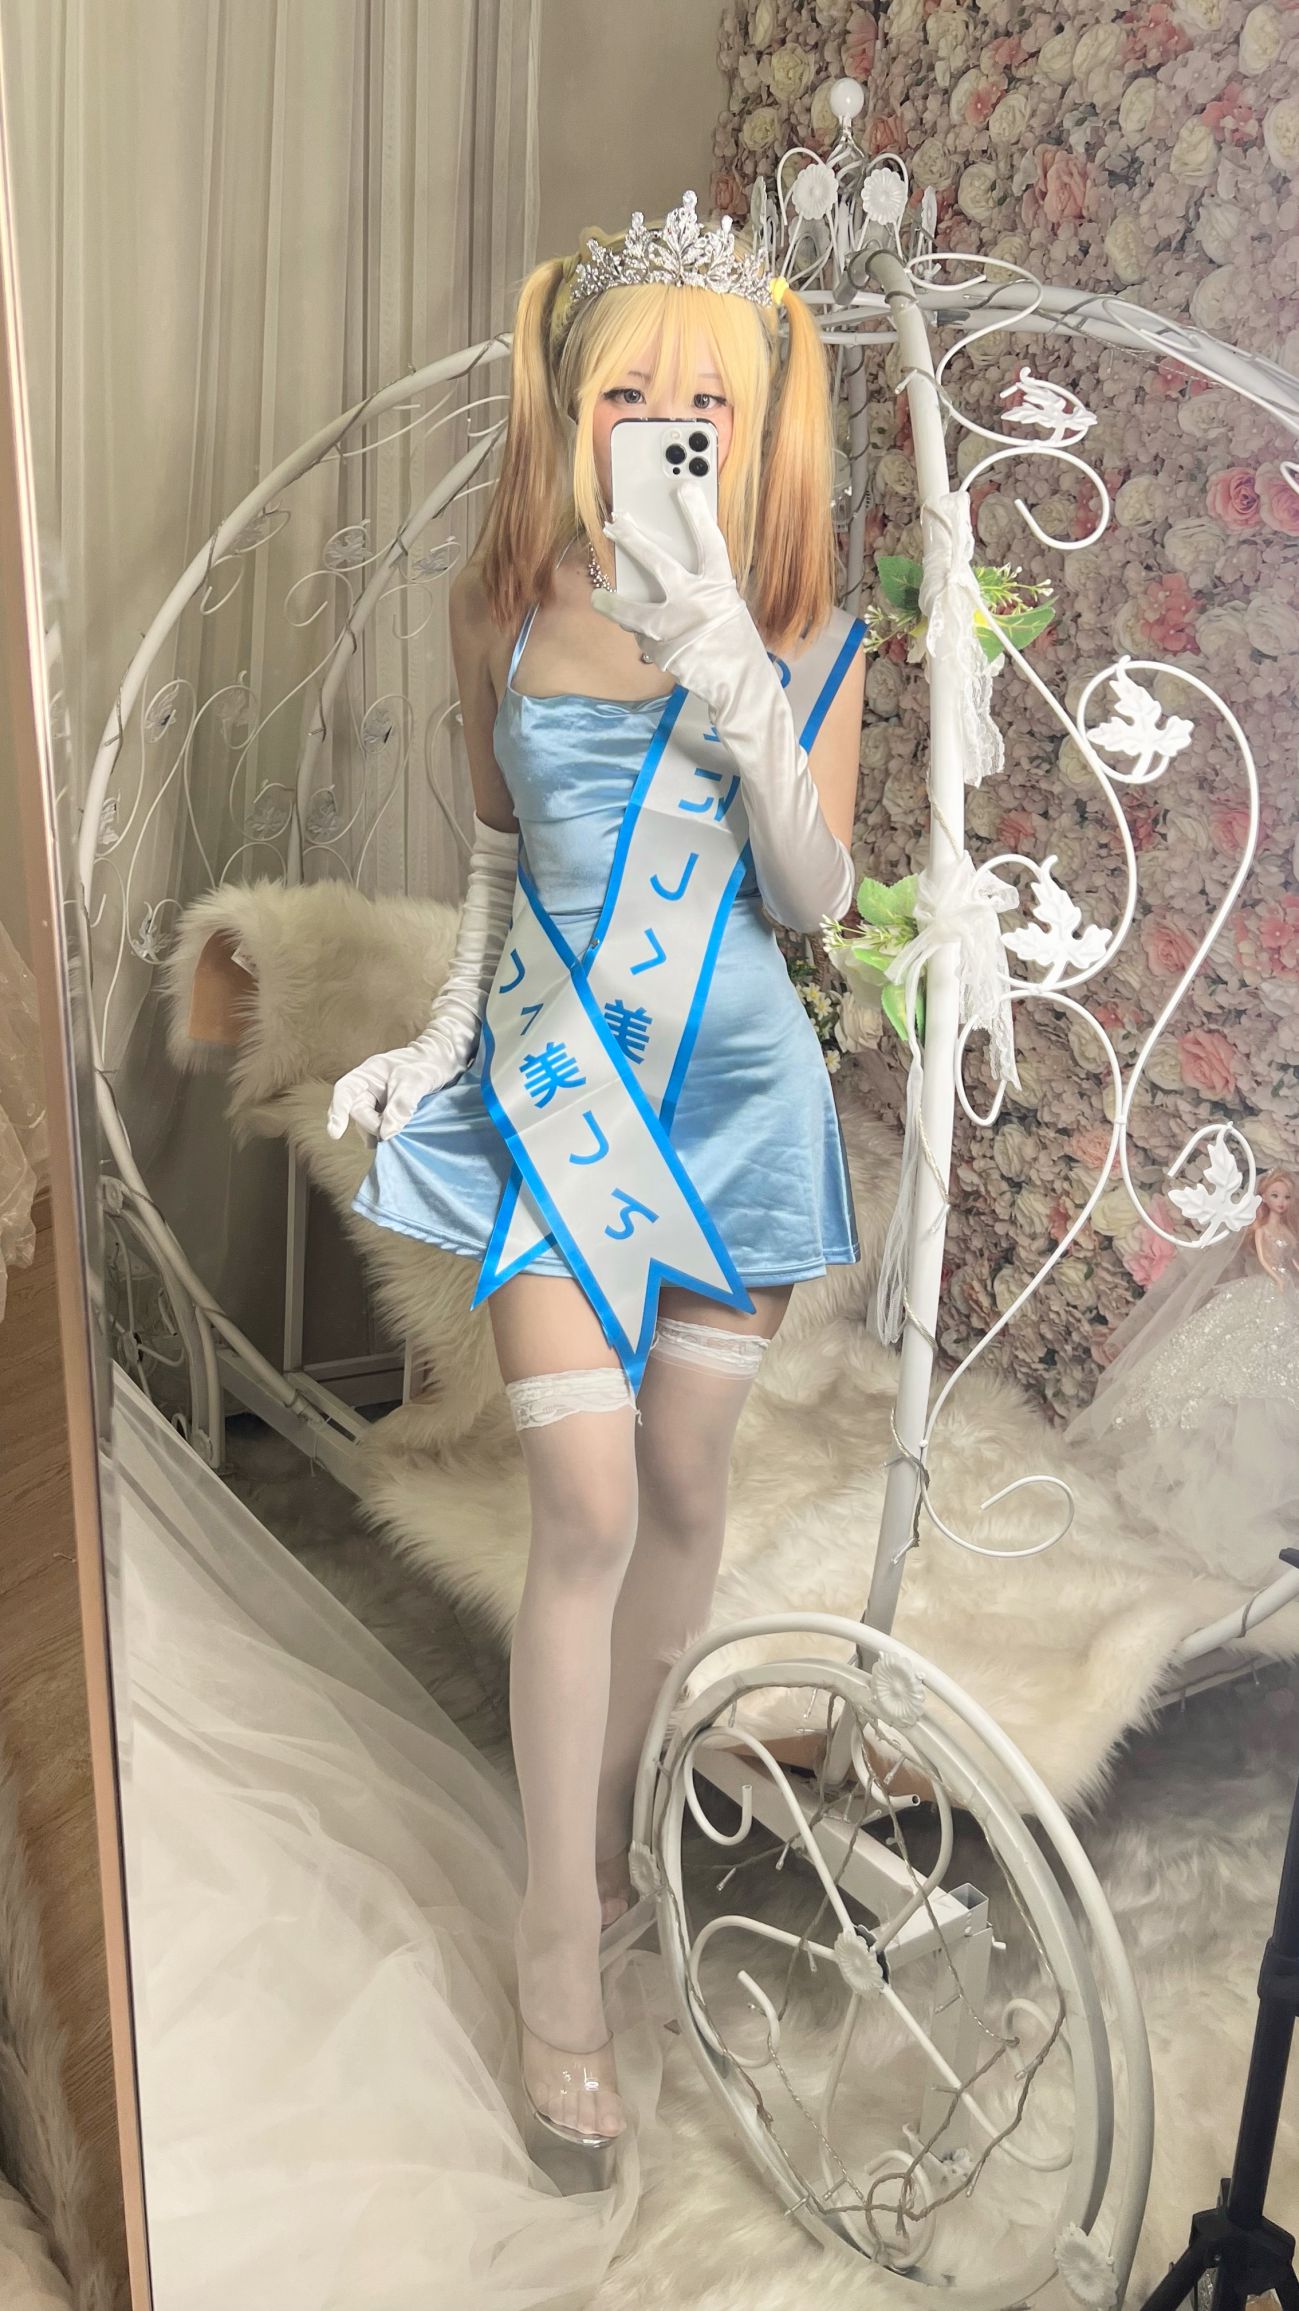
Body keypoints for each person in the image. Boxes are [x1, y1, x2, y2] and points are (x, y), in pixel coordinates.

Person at [328, 191, 866, 2185]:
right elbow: (491, 877)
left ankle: (620, 1829)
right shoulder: (500, 610)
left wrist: (731, 667)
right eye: (628, 392)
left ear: (757, 421)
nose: (664, 425)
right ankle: (558, 1946)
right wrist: (426, 1044)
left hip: (733, 1109)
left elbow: (815, 897)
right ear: (573, 406)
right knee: (582, 1499)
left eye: (701, 400)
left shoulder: (802, 631)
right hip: (557, 1106)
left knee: (689, 1493)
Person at [1066, 1167, 1299, 1585]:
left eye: (1286, 1197)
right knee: (1226, 1378)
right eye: (1275, 1196)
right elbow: (1266, 1259)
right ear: (1265, 1196)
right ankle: (1197, 1502)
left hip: (1284, 1303)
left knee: (1274, 1384)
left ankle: (1255, 1497)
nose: (1280, 1203)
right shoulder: (1260, 1230)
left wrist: (1290, 1275)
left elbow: (1290, 1259)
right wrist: (1279, 1278)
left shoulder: (1287, 1230)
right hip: (1260, 1296)